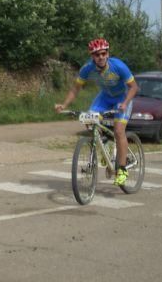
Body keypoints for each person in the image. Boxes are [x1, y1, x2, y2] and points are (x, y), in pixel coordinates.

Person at [55, 38, 139, 186]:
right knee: (89, 121)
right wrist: (64, 104)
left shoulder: (118, 66)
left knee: (119, 131)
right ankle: (105, 145)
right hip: (104, 98)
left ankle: (122, 170)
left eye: (103, 53)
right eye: (96, 54)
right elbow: (76, 89)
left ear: (107, 53)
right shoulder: (87, 68)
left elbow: (134, 87)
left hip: (122, 98)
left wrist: (125, 103)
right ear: (91, 56)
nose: (100, 57)